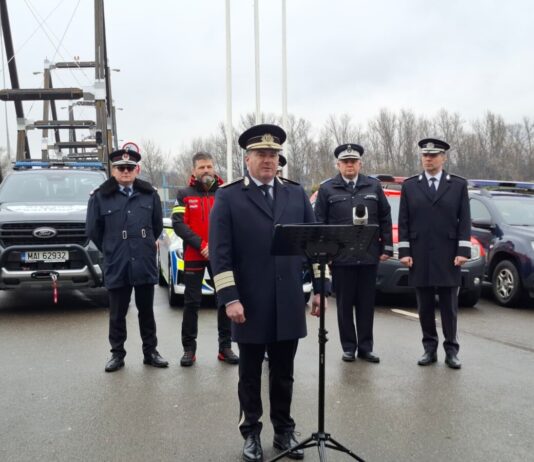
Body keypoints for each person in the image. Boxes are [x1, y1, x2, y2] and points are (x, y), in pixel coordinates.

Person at [209, 124, 326, 462]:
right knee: (249, 375)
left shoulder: (295, 194)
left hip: (288, 300)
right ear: (247, 159)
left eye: (273, 154)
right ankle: (251, 433)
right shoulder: (229, 197)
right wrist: (230, 298)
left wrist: (320, 290)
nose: (268, 160)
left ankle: (284, 431)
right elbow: (220, 254)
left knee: (284, 372)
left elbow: (315, 246)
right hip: (249, 302)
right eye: (261, 154)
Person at [86, 148, 168, 372]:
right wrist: (111, 247)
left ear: (136, 170)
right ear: (113, 170)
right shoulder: (100, 196)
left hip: (143, 259)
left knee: (146, 311)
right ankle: (117, 354)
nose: (125, 171)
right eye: (121, 168)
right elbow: (93, 230)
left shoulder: (149, 194)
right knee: (117, 313)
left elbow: (156, 225)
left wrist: (144, 243)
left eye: (130, 168)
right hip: (117, 260)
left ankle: (150, 352)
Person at [314, 144, 393, 363]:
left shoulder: (373, 186)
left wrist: (387, 247)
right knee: (345, 305)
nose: (349, 165)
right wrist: (325, 253)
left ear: (360, 164)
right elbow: (320, 222)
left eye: (353, 161)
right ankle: (348, 347)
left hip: (368, 255)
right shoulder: (327, 189)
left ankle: (366, 347)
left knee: (366, 305)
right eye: (345, 162)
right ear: (338, 165)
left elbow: (385, 217)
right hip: (341, 257)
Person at [398, 138, 471, 369]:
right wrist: (404, 251)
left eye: (433, 155)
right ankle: (429, 349)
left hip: (448, 254)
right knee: (425, 306)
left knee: (449, 307)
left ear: (443, 158)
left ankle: (451, 350)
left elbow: (464, 220)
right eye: (425, 155)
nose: (428, 159)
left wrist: (463, 251)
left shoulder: (457, 185)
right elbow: (403, 221)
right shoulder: (410, 186)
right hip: (419, 253)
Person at [171, 152, 238, 367]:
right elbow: (178, 224)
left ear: (214, 168)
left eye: (209, 166)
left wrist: (217, 248)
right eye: (201, 167)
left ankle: (225, 348)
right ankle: (189, 350)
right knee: (191, 303)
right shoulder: (184, 194)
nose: (206, 170)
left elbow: (233, 222)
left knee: (224, 300)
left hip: (221, 258)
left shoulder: (225, 192)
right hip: (194, 255)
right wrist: (201, 245)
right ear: (194, 171)